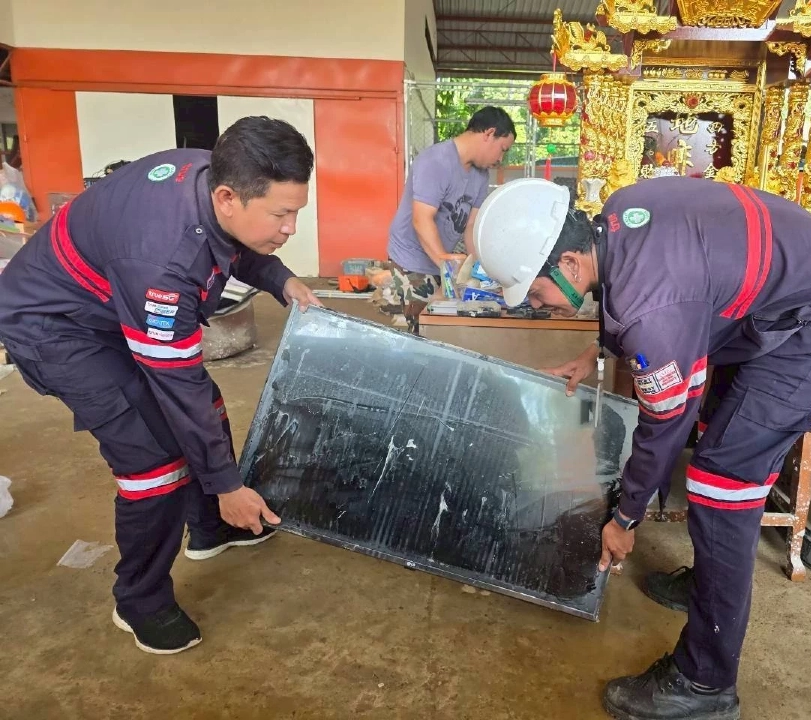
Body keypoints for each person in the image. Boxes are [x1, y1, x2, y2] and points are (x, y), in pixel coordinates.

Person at [472, 176, 811, 720]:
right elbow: (657, 300)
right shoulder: (618, 217)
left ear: (569, 262)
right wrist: (594, 353)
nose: (540, 305)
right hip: (784, 307)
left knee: (722, 484)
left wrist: (625, 517)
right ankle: (711, 580)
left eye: (537, 292)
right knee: (716, 436)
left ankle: (706, 683)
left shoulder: (651, 309)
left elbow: (663, 418)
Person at [0, 116, 323, 655]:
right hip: (53, 325)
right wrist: (226, 484)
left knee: (207, 411)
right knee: (152, 460)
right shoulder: (164, 264)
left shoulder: (213, 177)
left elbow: (238, 246)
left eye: (296, 211)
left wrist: (279, 278)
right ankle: (139, 600)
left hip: (104, 300)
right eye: (281, 214)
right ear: (226, 196)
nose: (290, 226)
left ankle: (210, 529)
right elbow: (177, 384)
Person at [382, 106, 516, 332]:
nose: (500, 158)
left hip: (440, 262)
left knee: (443, 328)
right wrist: (447, 264)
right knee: (418, 332)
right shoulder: (436, 161)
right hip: (411, 260)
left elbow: (471, 225)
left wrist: (478, 268)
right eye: (502, 149)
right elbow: (421, 219)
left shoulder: (480, 175)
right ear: (489, 134)